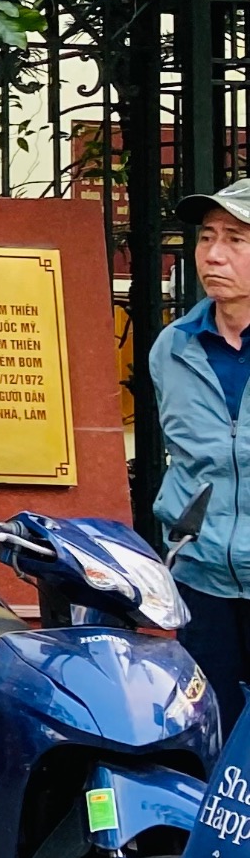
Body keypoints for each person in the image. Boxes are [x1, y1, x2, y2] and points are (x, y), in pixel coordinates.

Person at [155, 178, 250, 727]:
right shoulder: (173, 348)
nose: (213, 254)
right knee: (210, 741)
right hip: (203, 585)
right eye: (207, 237)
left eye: (235, 239)